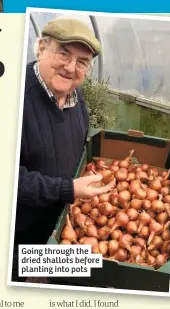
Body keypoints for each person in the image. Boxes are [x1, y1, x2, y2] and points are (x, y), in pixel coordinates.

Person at [12, 17, 115, 282]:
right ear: (41, 48)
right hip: (19, 243)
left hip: (61, 232)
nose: (71, 67)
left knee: (100, 277)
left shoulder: (76, 98)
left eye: (82, 62)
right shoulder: (11, 95)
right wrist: (68, 189)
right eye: (63, 53)